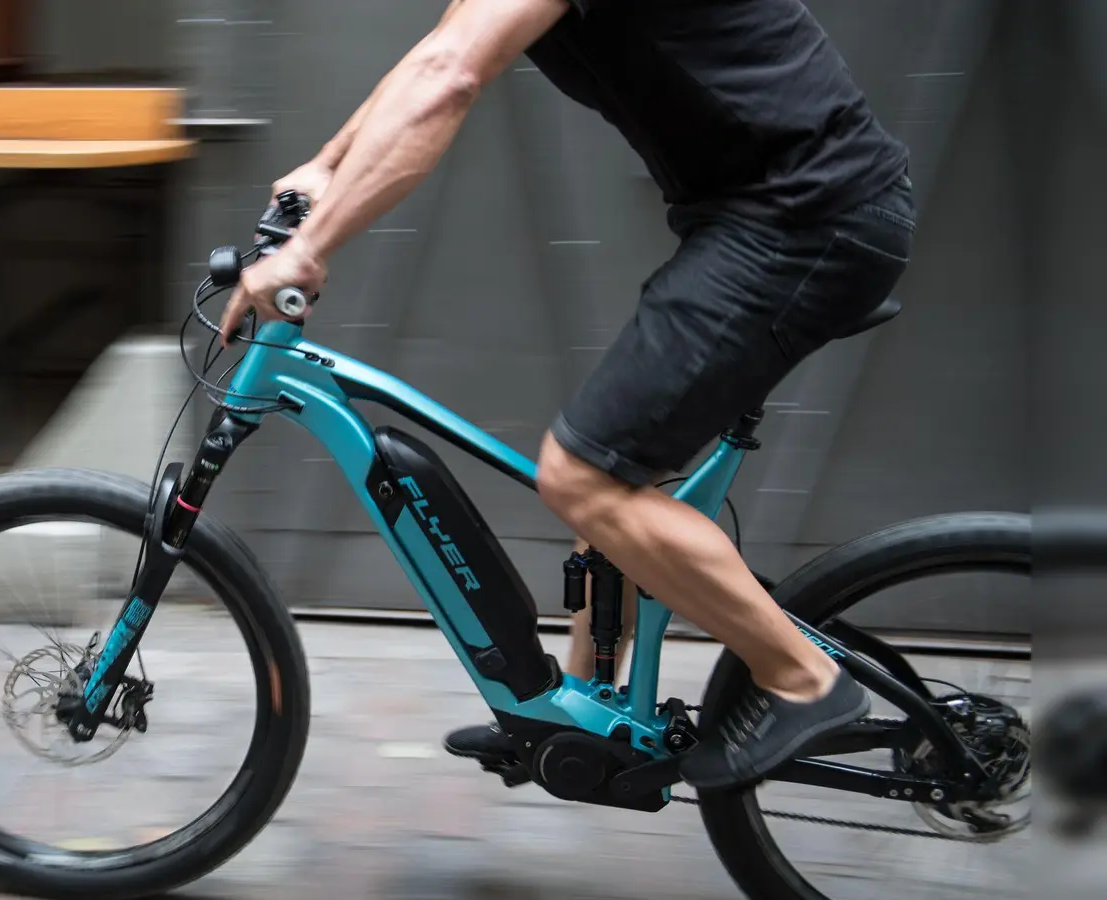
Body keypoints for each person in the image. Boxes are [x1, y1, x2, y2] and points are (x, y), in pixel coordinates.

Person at [218, 0, 914, 791]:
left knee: (583, 473)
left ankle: (804, 680)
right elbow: (438, 51)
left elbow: (449, 79)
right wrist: (330, 162)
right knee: (612, 455)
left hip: (805, 218)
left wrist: (309, 250)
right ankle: (576, 709)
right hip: (757, 218)